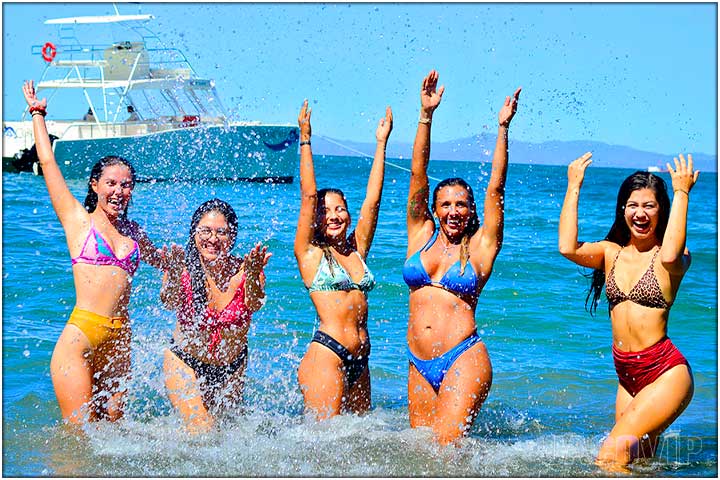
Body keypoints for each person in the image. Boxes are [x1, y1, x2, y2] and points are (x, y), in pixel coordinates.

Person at [22, 80, 165, 425]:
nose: (119, 191)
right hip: (81, 339)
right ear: (95, 186)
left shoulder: (134, 233)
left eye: (126, 184)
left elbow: (165, 263)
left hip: (120, 343)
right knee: (80, 439)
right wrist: (38, 114)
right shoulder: (77, 222)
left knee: (112, 439)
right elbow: (48, 163)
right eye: (111, 183)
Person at [558, 152, 697, 471]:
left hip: (665, 373)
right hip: (627, 376)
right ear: (622, 210)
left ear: (661, 211)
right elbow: (567, 247)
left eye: (649, 205)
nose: (640, 213)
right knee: (640, 463)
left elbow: (672, 252)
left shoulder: (672, 258)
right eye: (633, 205)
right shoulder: (611, 253)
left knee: (610, 456)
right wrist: (574, 185)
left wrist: (681, 193)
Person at [403, 70, 520, 445]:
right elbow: (418, 173)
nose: (454, 211)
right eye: (446, 205)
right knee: (423, 456)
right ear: (434, 210)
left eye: (462, 205)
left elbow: (495, 187)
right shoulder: (420, 234)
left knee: (445, 453)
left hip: (463, 357)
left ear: (471, 211)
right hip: (418, 364)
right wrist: (426, 116)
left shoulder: (483, 245)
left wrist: (502, 129)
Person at [294, 99, 393, 419]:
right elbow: (309, 195)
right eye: (326, 212)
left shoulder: (356, 250)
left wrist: (381, 144)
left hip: (361, 362)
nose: (334, 216)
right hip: (327, 356)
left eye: (340, 209)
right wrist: (305, 139)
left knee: (356, 447)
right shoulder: (309, 254)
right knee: (324, 450)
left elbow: (373, 201)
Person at [160, 199, 269, 433]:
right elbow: (168, 302)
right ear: (194, 233)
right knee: (202, 428)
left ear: (232, 236)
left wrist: (251, 277)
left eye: (221, 232)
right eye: (205, 231)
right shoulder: (183, 267)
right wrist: (176, 274)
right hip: (185, 361)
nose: (213, 239)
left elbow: (256, 304)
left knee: (225, 435)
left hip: (232, 367)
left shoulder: (246, 269)